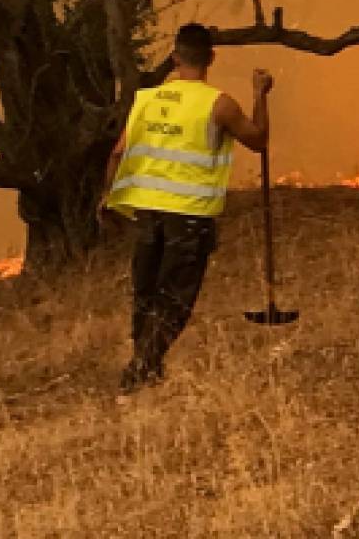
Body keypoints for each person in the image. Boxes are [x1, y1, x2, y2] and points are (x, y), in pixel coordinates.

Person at [103, 24, 273, 393]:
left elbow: (118, 153)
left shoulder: (146, 100)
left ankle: (146, 366)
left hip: (148, 213)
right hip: (190, 216)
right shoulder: (219, 104)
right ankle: (141, 369)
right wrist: (260, 95)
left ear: (175, 58)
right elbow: (258, 141)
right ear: (211, 58)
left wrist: (109, 201)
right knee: (176, 297)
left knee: (146, 292)